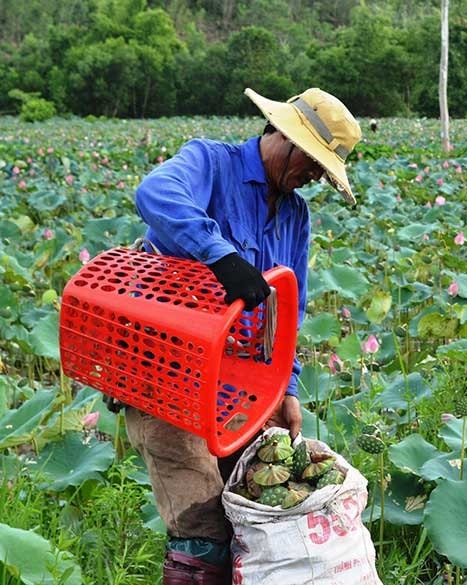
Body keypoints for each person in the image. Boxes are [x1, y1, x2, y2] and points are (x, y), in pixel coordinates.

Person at [127, 87, 362, 584]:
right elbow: (154, 194)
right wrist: (221, 255)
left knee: (249, 499)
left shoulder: (295, 213)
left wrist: (288, 387)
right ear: (287, 138)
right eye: (314, 164)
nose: (315, 177)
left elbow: (288, 309)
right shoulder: (209, 162)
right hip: (166, 368)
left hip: (239, 379)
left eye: (324, 171)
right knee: (202, 519)